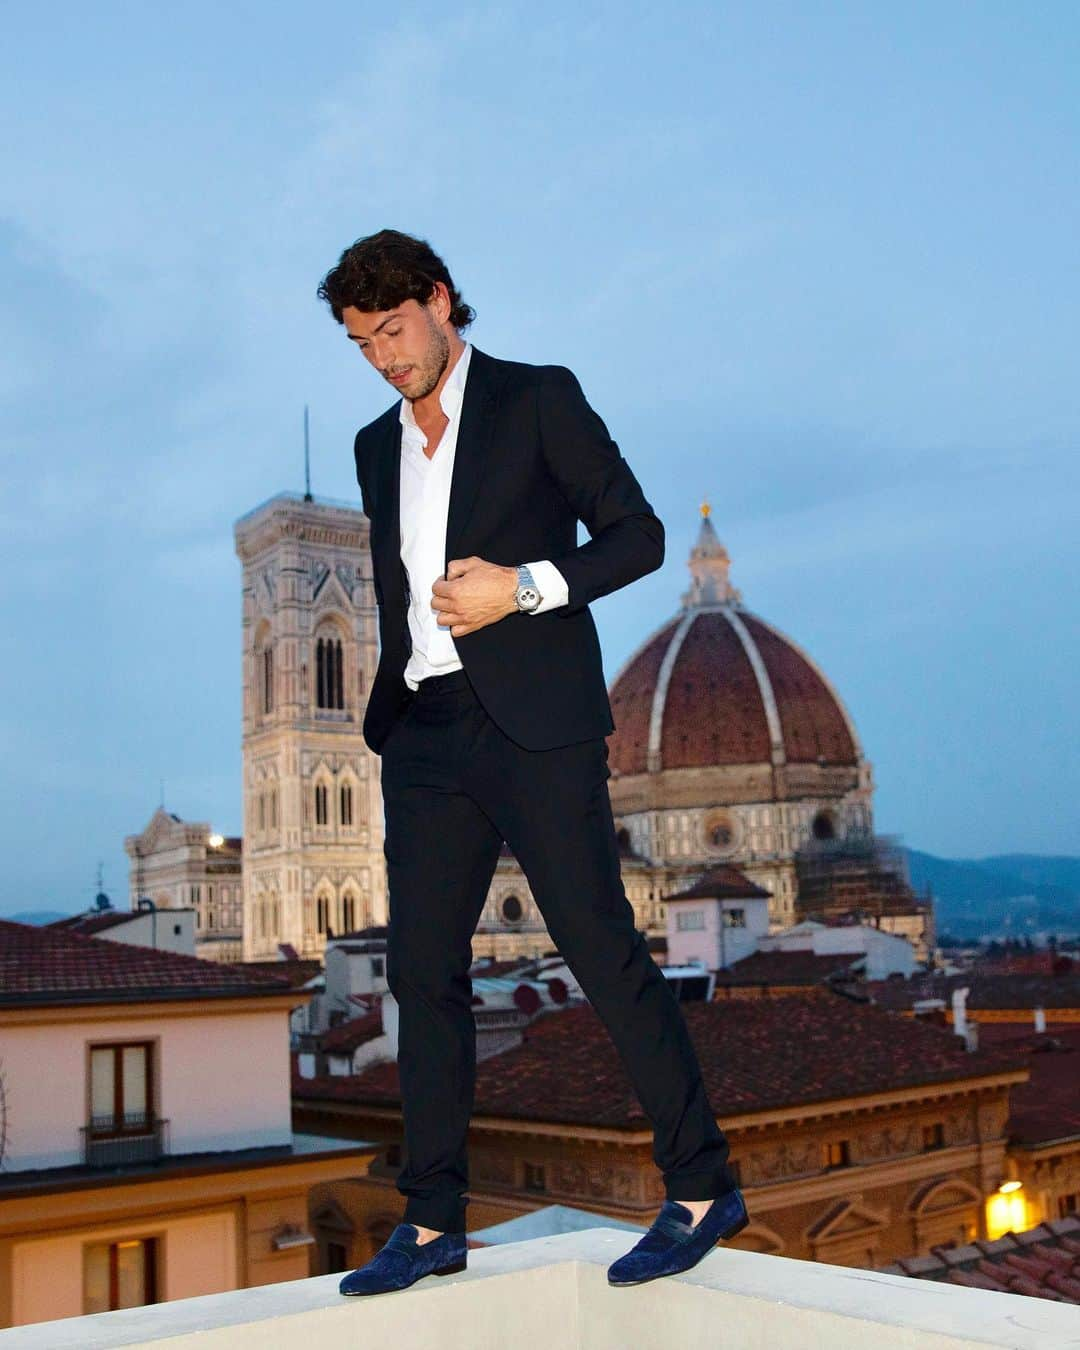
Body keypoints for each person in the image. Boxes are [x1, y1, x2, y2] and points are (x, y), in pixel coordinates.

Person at [316, 230, 748, 1296]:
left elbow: (637, 536)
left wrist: (524, 588)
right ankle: (432, 1220)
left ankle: (701, 1188)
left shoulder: (538, 397)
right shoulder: (377, 447)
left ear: (442, 301)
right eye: (363, 343)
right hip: (422, 729)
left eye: (395, 329)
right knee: (422, 975)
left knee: (600, 949)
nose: (385, 357)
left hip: (535, 723)